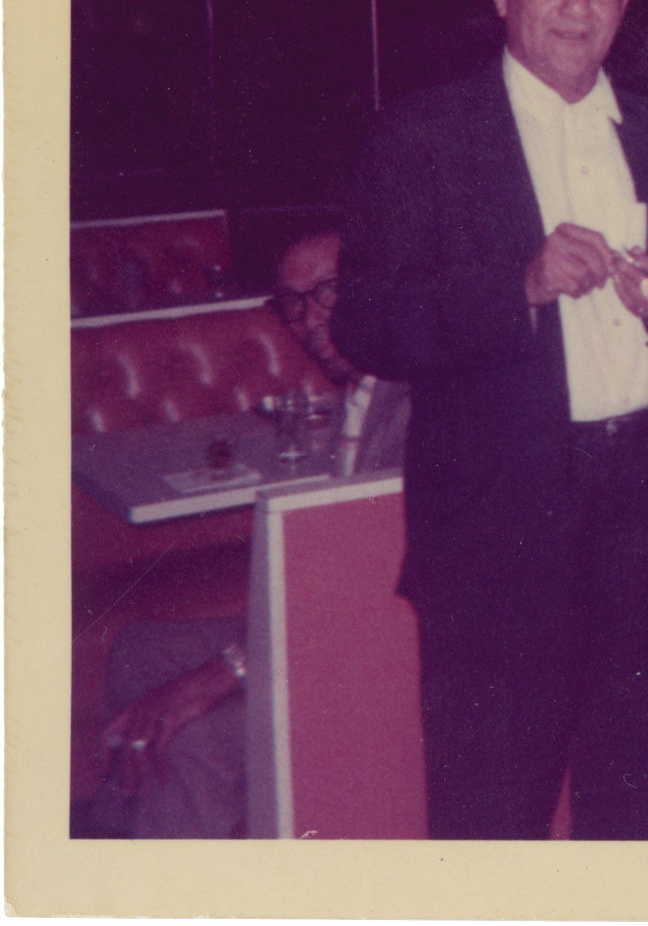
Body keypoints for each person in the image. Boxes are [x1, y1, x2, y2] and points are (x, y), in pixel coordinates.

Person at [330, 0, 648, 841]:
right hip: (498, 532)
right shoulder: (425, 137)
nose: (575, 4)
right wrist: (517, 286)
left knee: (643, 816)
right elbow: (363, 320)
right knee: (492, 820)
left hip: (645, 514)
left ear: (626, 2)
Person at [90, 229, 410, 838]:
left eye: (329, 291)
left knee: (192, 731)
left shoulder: (418, 404)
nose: (308, 320)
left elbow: (370, 596)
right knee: (137, 648)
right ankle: (125, 834)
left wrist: (218, 676)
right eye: (292, 303)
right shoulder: (362, 392)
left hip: (377, 656)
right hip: (332, 626)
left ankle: (183, 865)